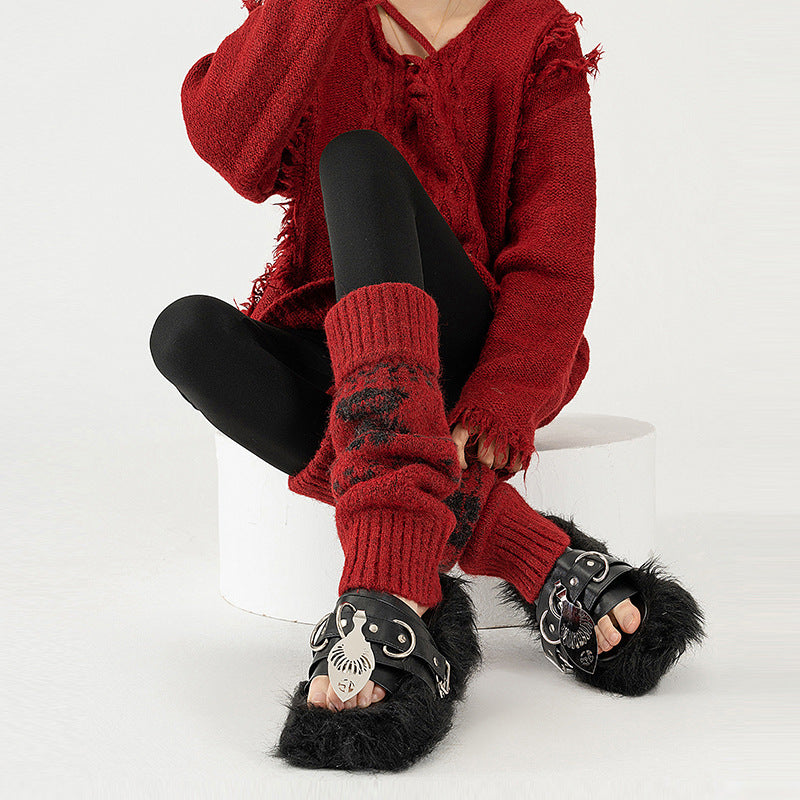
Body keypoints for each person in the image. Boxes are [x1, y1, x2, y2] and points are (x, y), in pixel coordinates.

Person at [149, 0, 705, 772]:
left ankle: (390, 576)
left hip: (476, 348)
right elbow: (229, 144)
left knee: (357, 159)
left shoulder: (532, 34)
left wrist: (504, 394)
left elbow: (556, 259)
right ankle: (524, 547)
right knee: (185, 336)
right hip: (347, 339)